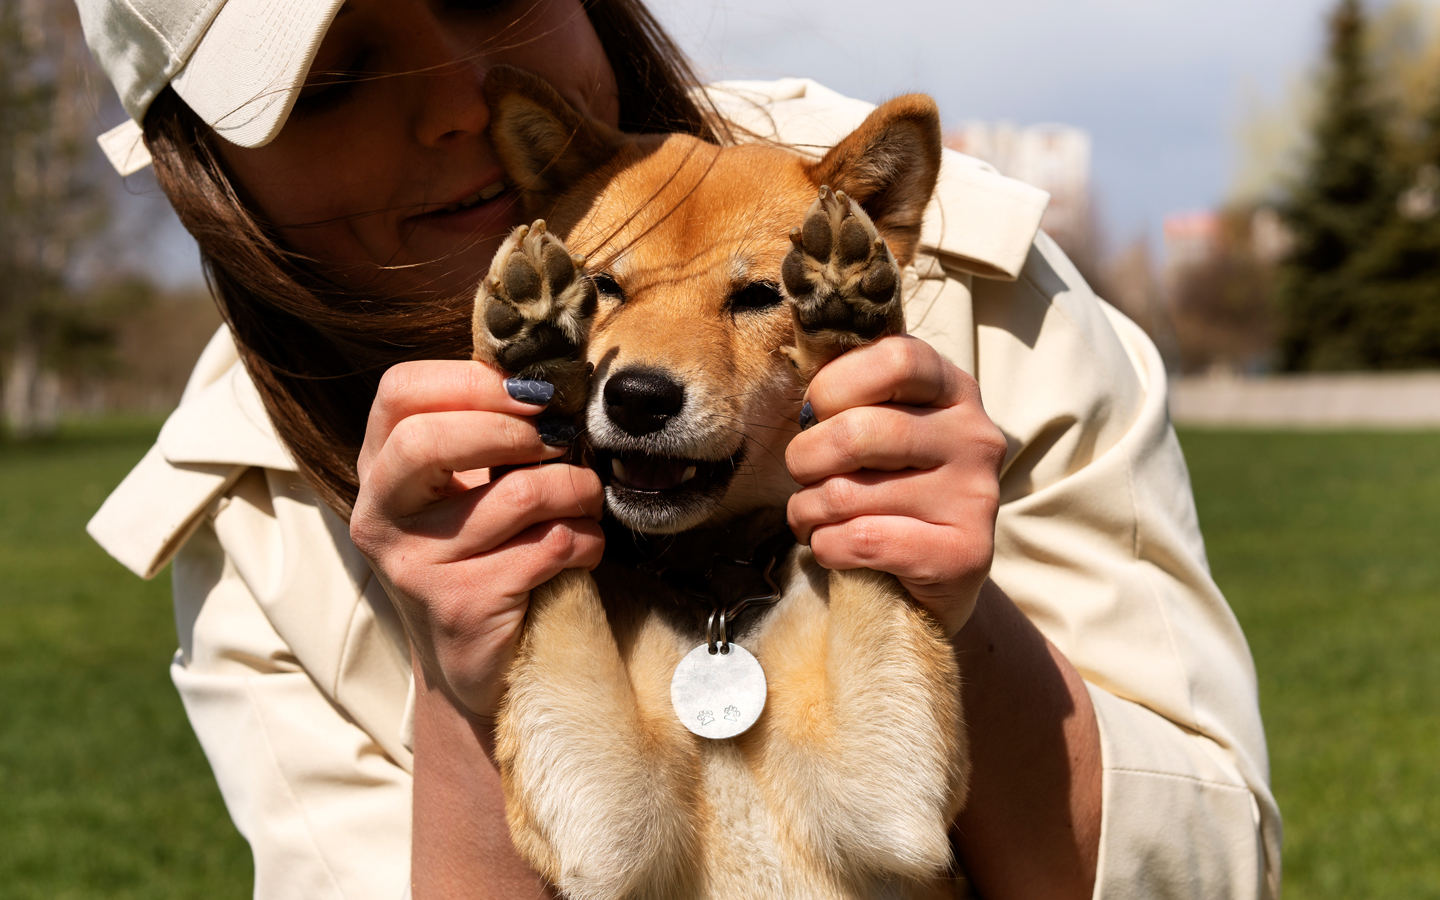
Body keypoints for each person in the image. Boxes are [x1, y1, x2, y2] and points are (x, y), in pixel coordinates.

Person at [80, 1, 1281, 898]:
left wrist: (945, 602)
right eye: (331, 85)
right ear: (200, 165)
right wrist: (463, 687)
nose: (458, 101)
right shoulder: (248, 506)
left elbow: (1213, 874)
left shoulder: (960, 277)